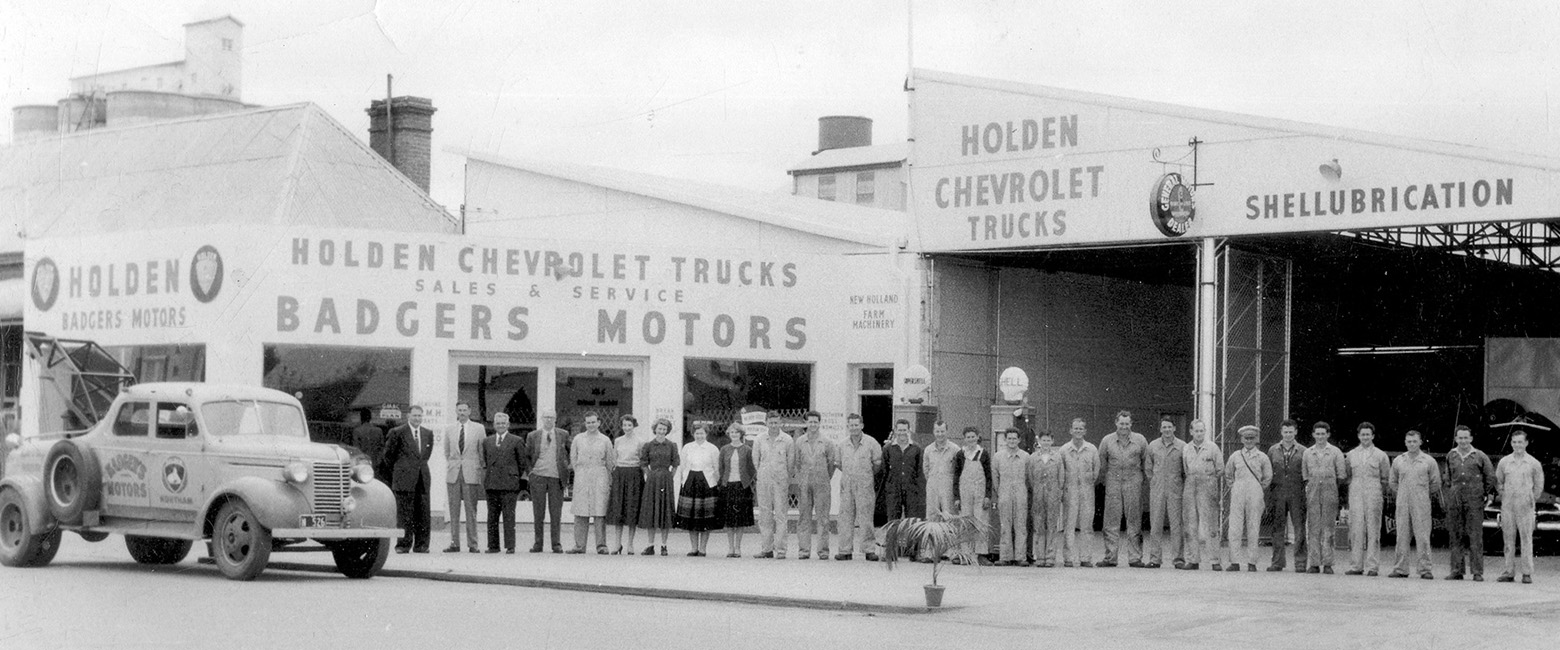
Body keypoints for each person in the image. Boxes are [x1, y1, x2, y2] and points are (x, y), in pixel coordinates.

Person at [1443, 424, 1496, 581]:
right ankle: (1456, 570)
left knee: (1475, 535)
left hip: (1474, 500)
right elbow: (1447, 477)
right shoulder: (1450, 456)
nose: (1463, 441)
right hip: (1455, 500)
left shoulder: (1480, 456)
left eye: (1466, 437)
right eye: (1460, 438)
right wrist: (1451, 492)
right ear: (1456, 439)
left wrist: (1484, 494)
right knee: (1455, 534)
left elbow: (1490, 476)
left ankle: (1477, 571)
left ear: (1471, 439)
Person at [1387, 430, 1441, 579]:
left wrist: (1422, 494)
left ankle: (1425, 569)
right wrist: (1403, 493)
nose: (1412, 444)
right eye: (1409, 441)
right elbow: (1392, 481)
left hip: (1421, 503)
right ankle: (1400, 569)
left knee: (1423, 536)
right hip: (1403, 503)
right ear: (1405, 442)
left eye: (1415, 441)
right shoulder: (1399, 460)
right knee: (1402, 536)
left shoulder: (1428, 461)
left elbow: (1435, 483)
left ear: (1420, 442)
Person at [1098, 410, 1148, 568]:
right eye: (1121, 423)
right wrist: (1107, 480)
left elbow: (1146, 462)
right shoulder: (1107, 441)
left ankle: (1135, 558)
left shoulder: (1140, 440)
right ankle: (1110, 557)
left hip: (1133, 482)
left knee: (1134, 521)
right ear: (1116, 423)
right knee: (1111, 521)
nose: (1124, 427)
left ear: (1131, 424)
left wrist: (1140, 482)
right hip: (1113, 482)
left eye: (1127, 424)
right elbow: (1102, 463)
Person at [1496, 430, 1545, 584]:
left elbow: (1539, 485)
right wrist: (1505, 495)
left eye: (1520, 442)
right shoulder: (1504, 462)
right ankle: (1509, 571)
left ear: (1526, 443)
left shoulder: (1533, 463)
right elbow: (1499, 482)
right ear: (1511, 443)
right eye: (1515, 442)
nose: (1517, 445)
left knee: (1526, 539)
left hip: (1526, 506)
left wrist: (1530, 498)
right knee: (1508, 540)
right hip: (1508, 505)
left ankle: (1526, 573)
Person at [383, 405, 433, 554]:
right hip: (404, 478)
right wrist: (401, 470)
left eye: (419, 416)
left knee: (423, 513)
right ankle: (403, 545)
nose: (417, 418)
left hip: (422, 478)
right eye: (414, 415)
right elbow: (388, 456)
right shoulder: (397, 432)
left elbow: (425, 455)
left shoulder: (427, 433)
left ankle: (422, 545)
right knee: (405, 514)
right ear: (408, 416)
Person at [1344, 422, 1391, 576]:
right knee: (1356, 529)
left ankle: (1372, 566)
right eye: (1362, 434)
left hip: (1374, 493)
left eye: (1368, 434)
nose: (1365, 437)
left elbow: (1385, 478)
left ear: (1373, 436)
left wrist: (1376, 491)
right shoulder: (1351, 455)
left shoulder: (1380, 455)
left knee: (1373, 530)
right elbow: (1348, 475)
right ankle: (1356, 565)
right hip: (1356, 493)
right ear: (1358, 436)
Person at [1301, 421, 1347, 574]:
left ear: (1328, 434)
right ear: (1313, 434)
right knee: (1313, 527)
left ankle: (1328, 563)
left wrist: (1332, 489)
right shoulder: (1308, 453)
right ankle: (1314, 563)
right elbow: (1305, 475)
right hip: (1313, 491)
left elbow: (1341, 475)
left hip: (1329, 492)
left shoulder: (1335, 452)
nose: (1320, 437)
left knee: (1328, 528)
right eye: (1317, 434)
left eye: (1323, 434)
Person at [835, 414, 882, 561]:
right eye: (851, 425)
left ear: (862, 425)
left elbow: (877, 464)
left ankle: (869, 549)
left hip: (865, 485)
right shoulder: (842, 444)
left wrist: (864, 476)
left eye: (856, 425)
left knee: (866, 517)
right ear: (847, 426)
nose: (854, 428)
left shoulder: (871, 443)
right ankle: (845, 550)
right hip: (847, 484)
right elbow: (839, 464)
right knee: (845, 517)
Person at [1224, 425, 1272, 572]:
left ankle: (1252, 561)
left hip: (1255, 490)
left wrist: (1257, 489)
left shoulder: (1262, 457)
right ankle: (1235, 561)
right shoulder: (1235, 456)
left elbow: (1267, 477)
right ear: (1242, 439)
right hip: (1238, 490)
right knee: (1235, 527)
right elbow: (1228, 474)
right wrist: (1235, 486)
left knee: (1253, 526)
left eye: (1252, 438)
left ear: (1256, 439)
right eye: (1246, 438)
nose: (1249, 441)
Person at [792, 411, 838, 561]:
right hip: (804, 484)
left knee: (823, 518)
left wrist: (824, 477)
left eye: (815, 422)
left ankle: (823, 551)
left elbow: (831, 464)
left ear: (819, 423)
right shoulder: (799, 441)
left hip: (822, 484)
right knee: (804, 517)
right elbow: (797, 463)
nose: (812, 425)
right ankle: (804, 550)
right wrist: (802, 477)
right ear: (806, 423)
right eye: (810, 422)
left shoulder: (827, 442)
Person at [568, 413, 616, 555]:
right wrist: (580, 473)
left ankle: (601, 545)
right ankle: (579, 545)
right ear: (585, 423)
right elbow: (573, 458)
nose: (591, 425)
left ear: (599, 423)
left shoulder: (605, 440)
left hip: (599, 475)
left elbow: (610, 461)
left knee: (599, 511)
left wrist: (608, 479)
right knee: (580, 511)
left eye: (593, 422)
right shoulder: (578, 439)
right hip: (582, 475)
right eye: (588, 422)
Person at [481, 412, 527, 554]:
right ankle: (493, 546)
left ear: (508, 425)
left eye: (503, 423)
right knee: (492, 516)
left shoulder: (516, 440)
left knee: (509, 516)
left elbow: (522, 463)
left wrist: (514, 478)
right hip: (492, 484)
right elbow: (486, 461)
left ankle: (510, 546)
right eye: (498, 423)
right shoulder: (487, 441)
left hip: (509, 484)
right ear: (494, 425)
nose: (500, 425)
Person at [444, 402, 487, 553]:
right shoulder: (449, 429)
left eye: (464, 410)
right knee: (453, 510)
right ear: (456, 411)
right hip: (454, 473)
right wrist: (454, 464)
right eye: (459, 410)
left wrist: (479, 469)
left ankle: (473, 544)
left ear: (469, 411)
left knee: (471, 510)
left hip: (471, 473)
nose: (462, 412)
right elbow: (447, 452)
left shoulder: (479, 428)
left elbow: (482, 451)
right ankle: (454, 543)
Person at [752, 409, 795, 559]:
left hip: (780, 480)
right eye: (771, 422)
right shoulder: (759, 439)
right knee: (764, 515)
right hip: (764, 480)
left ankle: (781, 550)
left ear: (780, 422)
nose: (774, 425)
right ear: (766, 423)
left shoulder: (787, 440)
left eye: (776, 422)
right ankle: (766, 549)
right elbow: (755, 459)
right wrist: (763, 473)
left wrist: (785, 478)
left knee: (781, 515)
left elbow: (791, 462)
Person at [527, 407, 571, 553]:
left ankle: (556, 544)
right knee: (538, 512)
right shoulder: (533, 435)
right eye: (546, 417)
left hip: (556, 477)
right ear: (542, 419)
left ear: (555, 419)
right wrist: (530, 473)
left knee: (555, 512)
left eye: (551, 418)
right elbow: (527, 456)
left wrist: (567, 467)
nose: (548, 420)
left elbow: (570, 452)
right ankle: (538, 543)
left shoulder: (563, 434)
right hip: (538, 476)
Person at [1265, 419, 1307, 572]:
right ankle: (1277, 562)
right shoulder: (1273, 450)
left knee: (1299, 528)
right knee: (1277, 528)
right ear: (1281, 432)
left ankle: (1301, 562)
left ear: (1295, 432)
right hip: (1278, 492)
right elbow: (1268, 473)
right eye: (1285, 432)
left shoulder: (1304, 451)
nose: (1288, 435)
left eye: (1291, 432)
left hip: (1297, 493)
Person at [1180, 419, 1222, 571]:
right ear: (1191, 432)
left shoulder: (1212, 448)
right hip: (1191, 485)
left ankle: (1215, 560)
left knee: (1210, 524)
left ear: (1205, 432)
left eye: (1201, 431)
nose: (1199, 434)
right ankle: (1193, 559)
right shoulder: (1186, 449)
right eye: (1196, 431)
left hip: (1208, 485)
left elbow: (1220, 469)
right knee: (1190, 523)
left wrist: (1209, 481)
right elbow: (1185, 468)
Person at [1144, 416, 1185, 569]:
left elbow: (1185, 470)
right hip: (1158, 489)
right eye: (1164, 427)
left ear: (1174, 428)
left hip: (1175, 489)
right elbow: (1148, 468)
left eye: (1170, 427)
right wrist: (1155, 481)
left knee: (1177, 525)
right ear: (1160, 429)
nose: (1167, 430)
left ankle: (1178, 559)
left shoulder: (1182, 446)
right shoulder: (1153, 446)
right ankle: (1155, 558)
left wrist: (1177, 483)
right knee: (1155, 524)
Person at [676, 422, 722, 556]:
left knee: (705, 518)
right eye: (697, 433)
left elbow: (716, 468)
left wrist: (715, 483)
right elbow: (683, 466)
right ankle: (694, 547)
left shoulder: (712, 449)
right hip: (690, 482)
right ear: (693, 434)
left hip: (707, 483)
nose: (699, 436)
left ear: (706, 434)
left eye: (702, 433)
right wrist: (684, 482)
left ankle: (703, 548)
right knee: (691, 518)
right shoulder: (687, 447)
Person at [1060, 418, 1100, 568]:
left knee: (1087, 525)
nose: (1078, 431)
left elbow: (1096, 471)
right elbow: (1060, 471)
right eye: (1075, 428)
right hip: (1070, 491)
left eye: (1080, 429)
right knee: (1069, 526)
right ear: (1071, 430)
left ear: (1085, 431)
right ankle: (1068, 558)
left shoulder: (1092, 449)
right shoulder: (1064, 450)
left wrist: (1087, 483)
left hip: (1086, 491)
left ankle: (1085, 557)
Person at [606, 415, 647, 555]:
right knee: (618, 509)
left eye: (629, 425)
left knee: (631, 509)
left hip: (634, 474)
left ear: (634, 426)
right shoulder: (617, 441)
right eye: (624, 425)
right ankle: (617, 544)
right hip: (620, 474)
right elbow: (614, 458)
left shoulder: (640, 442)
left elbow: (642, 460)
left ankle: (630, 544)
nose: (627, 428)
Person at [637, 418, 680, 556]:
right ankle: (650, 544)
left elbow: (676, 463)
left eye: (664, 429)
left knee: (665, 511)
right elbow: (643, 462)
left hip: (666, 479)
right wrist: (649, 474)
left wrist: (670, 476)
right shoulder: (648, 445)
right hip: (653, 479)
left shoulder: (672, 445)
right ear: (655, 429)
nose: (661, 431)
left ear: (667, 431)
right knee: (652, 511)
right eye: (659, 429)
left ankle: (664, 544)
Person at [953, 426, 993, 563]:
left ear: (977, 437)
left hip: (980, 493)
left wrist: (988, 495)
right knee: (965, 523)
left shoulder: (983, 453)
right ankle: (965, 554)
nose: (971, 439)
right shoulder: (960, 454)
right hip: (965, 493)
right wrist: (957, 497)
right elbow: (956, 476)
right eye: (968, 437)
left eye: (973, 437)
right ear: (964, 439)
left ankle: (981, 554)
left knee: (981, 522)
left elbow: (989, 476)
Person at [718, 422, 757, 558]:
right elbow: (721, 467)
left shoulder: (747, 449)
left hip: (742, 486)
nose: (734, 434)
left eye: (737, 432)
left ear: (741, 434)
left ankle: (738, 547)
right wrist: (722, 482)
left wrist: (747, 481)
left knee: (740, 519)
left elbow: (752, 469)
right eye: (732, 432)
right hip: (728, 486)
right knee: (729, 519)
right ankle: (730, 547)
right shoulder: (724, 449)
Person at [1025, 430, 1065, 567]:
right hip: (1038, 495)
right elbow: (1030, 477)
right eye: (1043, 440)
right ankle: (1040, 556)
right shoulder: (1033, 458)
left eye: (1048, 440)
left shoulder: (1058, 458)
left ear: (1052, 441)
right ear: (1039, 441)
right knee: (1039, 526)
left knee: (1052, 526)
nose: (1046, 443)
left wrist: (1058, 492)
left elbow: (1061, 478)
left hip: (1053, 495)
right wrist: (1037, 489)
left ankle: (1050, 556)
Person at [992, 428, 1030, 566]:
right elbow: (995, 477)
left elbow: (1029, 477)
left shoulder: (1026, 457)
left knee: (1020, 525)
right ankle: (1005, 556)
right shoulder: (998, 457)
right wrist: (1000, 491)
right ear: (1005, 439)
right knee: (1005, 525)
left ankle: (1021, 557)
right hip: (1004, 492)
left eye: (1015, 438)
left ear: (1019, 440)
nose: (1012, 441)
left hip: (1020, 492)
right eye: (1009, 438)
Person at [883, 419, 925, 525]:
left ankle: (911, 542)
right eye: (899, 430)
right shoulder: (888, 449)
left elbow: (920, 472)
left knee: (912, 522)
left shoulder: (917, 449)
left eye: (904, 430)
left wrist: (920, 492)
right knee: (893, 522)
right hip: (893, 490)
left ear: (909, 431)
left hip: (912, 490)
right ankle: (892, 542)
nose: (902, 433)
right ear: (895, 431)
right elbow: (884, 471)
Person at [350, 408, 386, 483]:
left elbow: (356, 448)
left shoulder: (357, 431)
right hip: (375, 462)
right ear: (370, 418)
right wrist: (378, 461)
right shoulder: (378, 431)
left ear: (361, 418)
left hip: (362, 463)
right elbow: (382, 448)